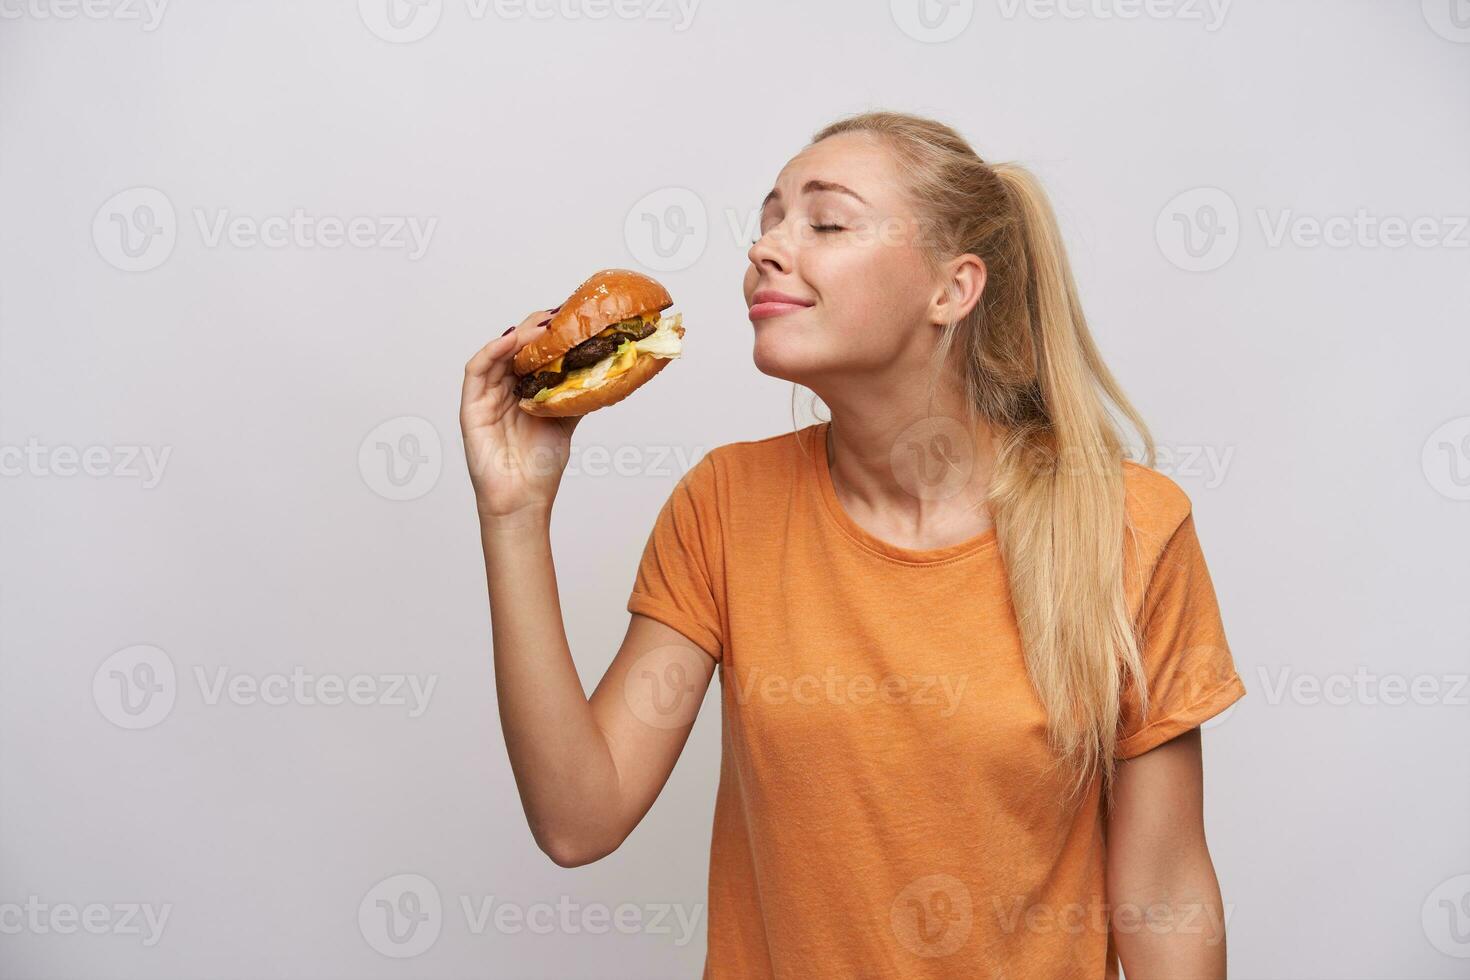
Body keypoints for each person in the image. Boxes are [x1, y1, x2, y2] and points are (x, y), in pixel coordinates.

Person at [459, 109, 1246, 980]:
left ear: (952, 289)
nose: (766, 248)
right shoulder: (727, 505)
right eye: (768, 221)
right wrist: (514, 514)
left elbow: (1165, 893)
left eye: (825, 223)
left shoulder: (1130, 525)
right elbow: (580, 817)